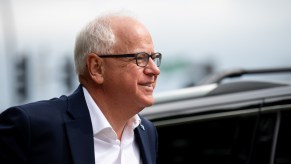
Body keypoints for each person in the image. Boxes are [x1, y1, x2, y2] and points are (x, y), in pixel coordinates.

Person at [0, 11, 161, 164]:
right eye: (141, 58)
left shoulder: (146, 132)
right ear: (97, 68)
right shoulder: (31, 127)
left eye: (154, 58)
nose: (155, 70)